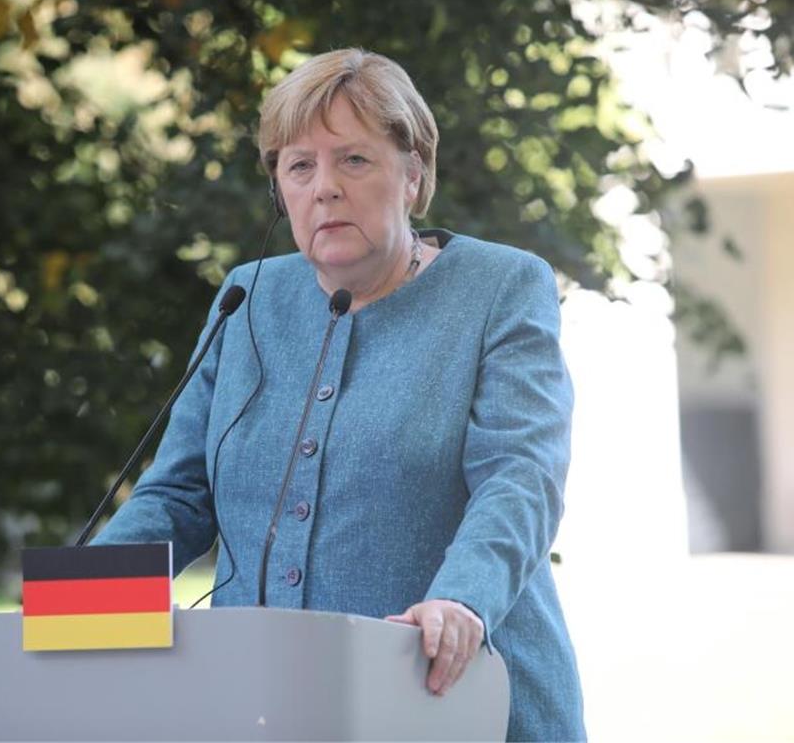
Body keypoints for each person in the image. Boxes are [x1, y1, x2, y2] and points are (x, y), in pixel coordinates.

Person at [93, 47, 584, 741]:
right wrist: (78, 605)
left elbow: (520, 477)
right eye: (299, 166)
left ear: (412, 173)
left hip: (455, 701)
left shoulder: (501, 288)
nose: (324, 187)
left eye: (353, 159)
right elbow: (178, 494)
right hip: (261, 709)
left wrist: (461, 600)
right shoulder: (248, 297)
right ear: (279, 191)